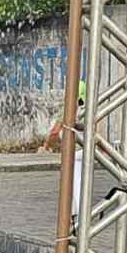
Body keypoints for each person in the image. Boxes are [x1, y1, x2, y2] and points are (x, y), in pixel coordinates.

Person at [39, 80, 88, 228]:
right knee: (76, 181)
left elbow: (55, 131)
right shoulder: (88, 108)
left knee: (73, 182)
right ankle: (73, 213)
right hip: (85, 150)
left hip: (73, 152)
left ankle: (80, 215)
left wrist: (45, 146)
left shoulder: (68, 109)